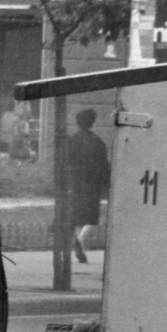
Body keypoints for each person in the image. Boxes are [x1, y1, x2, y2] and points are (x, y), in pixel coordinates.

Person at [65, 108, 111, 263]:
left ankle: (78, 244)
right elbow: (104, 166)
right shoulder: (98, 142)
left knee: (76, 216)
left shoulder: (71, 141)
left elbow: (65, 162)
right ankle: (80, 240)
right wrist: (106, 185)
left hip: (75, 183)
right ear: (92, 122)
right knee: (91, 218)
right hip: (92, 184)